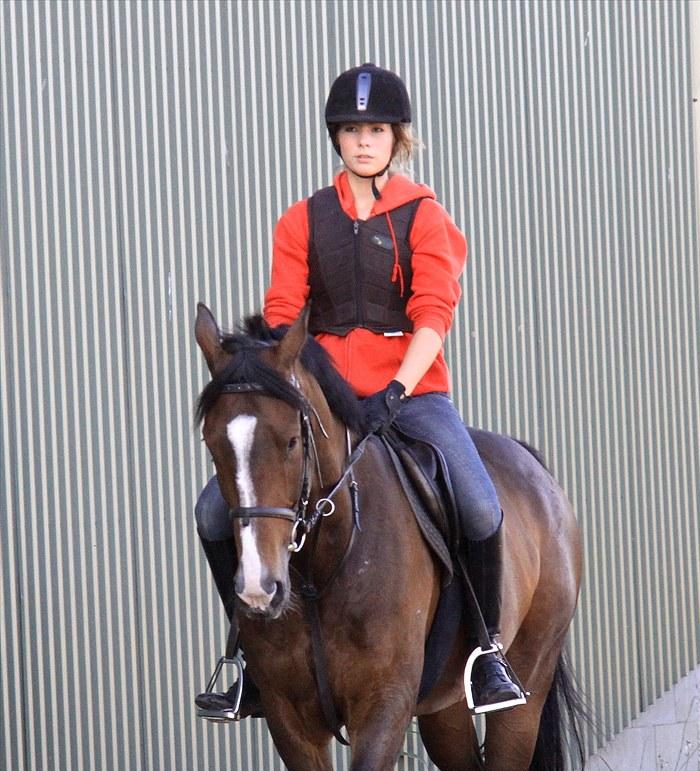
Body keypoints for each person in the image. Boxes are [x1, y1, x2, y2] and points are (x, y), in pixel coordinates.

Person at [195, 62, 526, 721]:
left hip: (412, 391)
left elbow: (434, 313)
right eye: (351, 130)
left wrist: (398, 390)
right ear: (336, 139)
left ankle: (487, 656)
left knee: (482, 506)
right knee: (212, 512)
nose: (363, 141)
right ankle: (247, 658)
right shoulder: (301, 220)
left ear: (397, 138)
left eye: (376, 129)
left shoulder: (425, 217)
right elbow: (285, 316)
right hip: (323, 396)